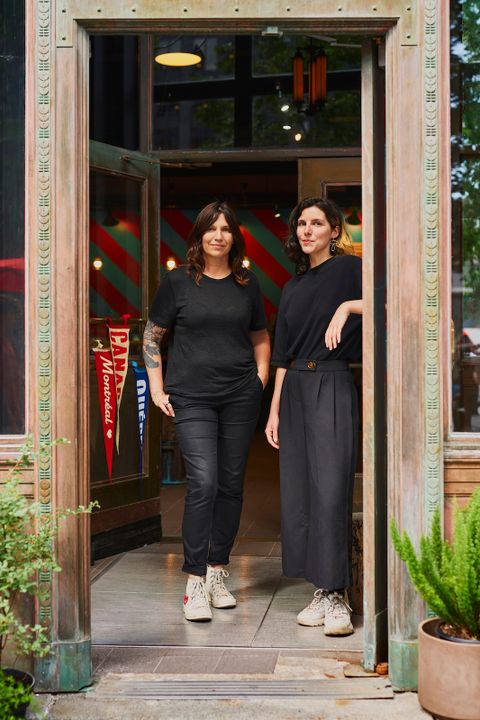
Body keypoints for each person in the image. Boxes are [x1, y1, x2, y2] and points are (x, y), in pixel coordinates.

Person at [143, 201, 270, 622]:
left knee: (232, 484)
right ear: (198, 236)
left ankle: (218, 571)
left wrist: (261, 378)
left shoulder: (246, 284)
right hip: (191, 397)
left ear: (235, 236)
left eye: (226, 229)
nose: (218, 235)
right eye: (210, 229)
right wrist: (158, 387)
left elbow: (260, 335)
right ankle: (194, 580)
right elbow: (152, 335)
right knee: (204, 481)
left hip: (239, 395)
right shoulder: (178, 282)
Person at [265, 197, 362, 636]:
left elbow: (389, 300)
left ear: (334, 229)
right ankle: (320, 590)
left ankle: (337, 595)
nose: (307, 230)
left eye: (316, 223)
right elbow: (282, 353)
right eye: (301, 223)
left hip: (333, 380)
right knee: (302, 491)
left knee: (331, 489)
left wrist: (347, 308)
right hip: (296, 389)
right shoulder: (292, 287)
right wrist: (274, 410)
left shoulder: (348, 270)